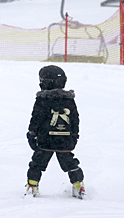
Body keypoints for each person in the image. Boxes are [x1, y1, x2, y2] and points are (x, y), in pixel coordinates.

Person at [25, 65, 85, 199]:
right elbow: (75, 119)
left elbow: (36, 118)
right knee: (70, 162)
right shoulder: (69, 100)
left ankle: (32, 185)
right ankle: (78, 184)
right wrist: (74, 135)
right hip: (64, 140)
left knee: (37, 163)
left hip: (46, 140)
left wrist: (32, 133)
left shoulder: (42, 100)